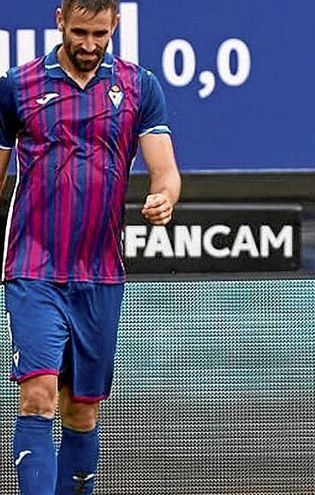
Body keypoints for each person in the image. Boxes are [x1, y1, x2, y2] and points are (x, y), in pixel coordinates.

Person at [0, 1, 181, 493]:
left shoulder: (140, 86)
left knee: (82, 408)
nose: (88, 44)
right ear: (59, 19)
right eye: (79, 31)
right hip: (33, 266)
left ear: (115, 25)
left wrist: (163, 197)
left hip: (100, 272)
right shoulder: (18, 85)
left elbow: (165, 171)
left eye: (99, 33)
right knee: (38, 395)